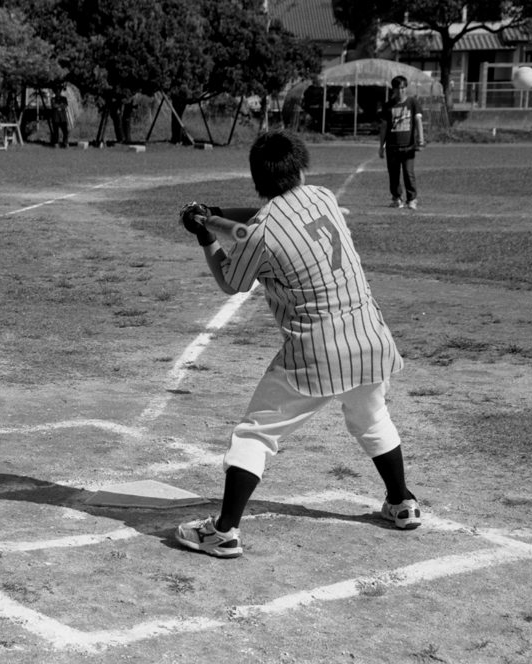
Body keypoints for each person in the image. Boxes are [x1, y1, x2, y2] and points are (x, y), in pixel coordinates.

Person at [174, 130, 421, 560]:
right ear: (300, 168)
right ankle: (402, 503)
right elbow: (269, 218)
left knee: (255, 432)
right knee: (371, 415)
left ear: (257, 179)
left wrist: (206, 235)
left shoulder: (260, 234)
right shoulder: (322, 197)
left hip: (317, 351)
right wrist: (214, 215)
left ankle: (224, 531)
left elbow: (231, 281)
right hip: (369, 335)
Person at [379, 75, 425, 210]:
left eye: (403, 88)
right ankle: (397, 198)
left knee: (408, 173)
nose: (401, 91)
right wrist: (381, 146)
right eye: (398, 88)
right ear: (393, 89)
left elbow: (418, 121)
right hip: (392, 147)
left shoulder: (413, 103)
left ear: (406, 88)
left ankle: (412, 199)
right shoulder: (388, 106)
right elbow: (384, 128)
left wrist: (420, 140)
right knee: (393, 175)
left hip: (408, 146)